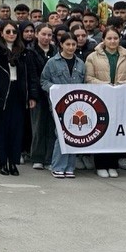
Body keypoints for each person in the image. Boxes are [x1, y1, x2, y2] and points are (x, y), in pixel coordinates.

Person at [84, 26, 126, 178]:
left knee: (115, 133)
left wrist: (121, 84)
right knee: (101, 132)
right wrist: (106, 85)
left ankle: (112, 164)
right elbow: (88, 78)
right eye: (109, 38)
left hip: (120, 100)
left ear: (119, 39)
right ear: (103, 39)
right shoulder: (93, 57)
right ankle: (101, 165)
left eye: (115, 38)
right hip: (100, 100)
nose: (112, 41)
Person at [0, 21, 34, 176]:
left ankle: (13, 162)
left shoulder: (24, 51)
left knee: (17, 130)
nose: (11, 34)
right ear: (1, 33)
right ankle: (3, 162)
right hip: (1, 94)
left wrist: (32, 96)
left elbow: (31, 76)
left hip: (18, 93)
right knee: (2, 130)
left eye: (14, 31)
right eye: (8, 31)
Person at [41, 34, 86, 178]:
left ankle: (69, 166)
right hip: (59, 104)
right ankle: (58, 166)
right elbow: (44, 81)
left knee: (74, 134)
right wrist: (54, 88)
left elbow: (85, 83)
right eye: (68, 44)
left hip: (76, 105)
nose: (71, 47)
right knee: (61, 133)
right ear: (61, 45)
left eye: (73, 44)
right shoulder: (52, 62)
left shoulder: (80, 63)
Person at [24, 23, 57, 170]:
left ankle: (49, 158)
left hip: (53, 94)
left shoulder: (56, 51)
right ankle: (37, 157)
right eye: (43, 34)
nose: (46, 37)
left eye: (49, 35)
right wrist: (32, 96)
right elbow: (31, 76)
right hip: (37, 95)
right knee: (38, 126)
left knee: (52, 127)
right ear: (37, 34)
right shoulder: (30, 52)